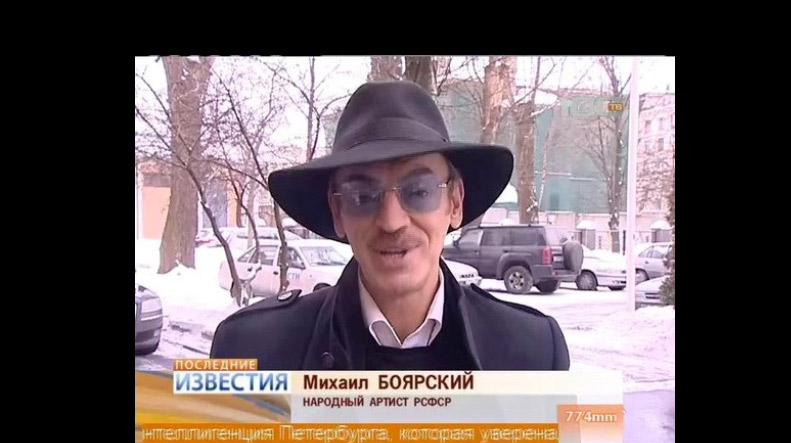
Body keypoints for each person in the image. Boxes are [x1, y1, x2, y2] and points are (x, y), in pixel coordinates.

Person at [210, 80, 569, 370]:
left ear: (455, 203)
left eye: (419, 191)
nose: (392, 221)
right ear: (337, 211)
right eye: (362, 196)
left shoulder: (533, 354)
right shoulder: (250, 354)